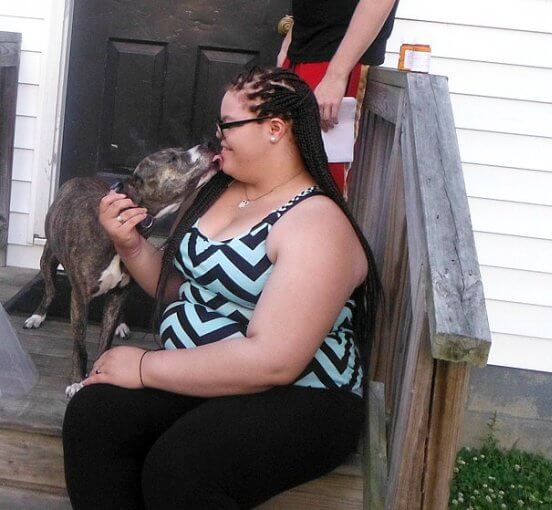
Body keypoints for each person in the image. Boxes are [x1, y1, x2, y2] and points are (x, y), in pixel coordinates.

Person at [62, 66, 381, 509]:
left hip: (299, 397)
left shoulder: (317, 224)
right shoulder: (217, 189)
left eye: (227, 125)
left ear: (275, 129)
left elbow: (273, 362)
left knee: (181, 467)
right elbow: (180, 291)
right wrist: (130, 244)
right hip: (204, 373)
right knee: (95, 415)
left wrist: (143, 368)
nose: (217, 135)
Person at [277, 0, 398, 195]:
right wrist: (289, 45)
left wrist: (336, 75)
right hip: (301, 56)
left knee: (322, 184)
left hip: (332, 63)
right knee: (284, 173)